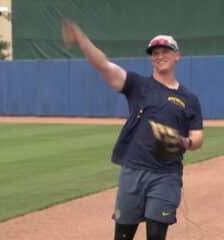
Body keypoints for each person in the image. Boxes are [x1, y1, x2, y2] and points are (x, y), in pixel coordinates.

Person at [62, 20, 204, 240]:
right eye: (155, 52)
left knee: (156, 235)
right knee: (122, 236)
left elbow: (198, 138)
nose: (159, 56)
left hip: (166, 175)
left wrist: (184, 142)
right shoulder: (138, 86)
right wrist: (82, 39)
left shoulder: (189, 99)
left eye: (165, 51)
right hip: (133, 172)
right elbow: (104, 66)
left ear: (177, 55)